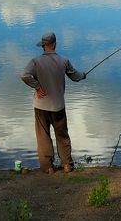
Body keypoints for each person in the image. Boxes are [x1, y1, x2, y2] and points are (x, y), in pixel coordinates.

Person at [20, 31, 86, 173]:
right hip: (58, 106)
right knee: (62, 135)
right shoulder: (64, 61)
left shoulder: (35, 62)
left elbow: (24, 75)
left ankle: (47, 167)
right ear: (55, 44)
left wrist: (37, 87)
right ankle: (67, 165)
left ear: (43, 46)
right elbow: (75, 77)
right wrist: (84, 75)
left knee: (43, 136)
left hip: (40, 106)